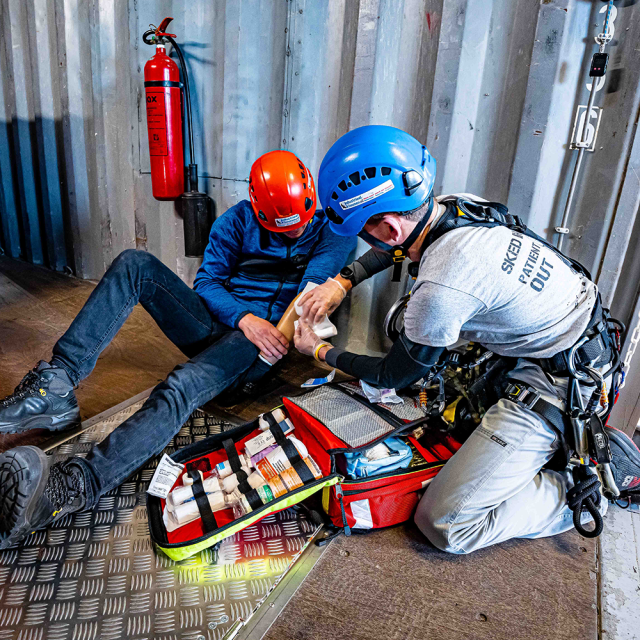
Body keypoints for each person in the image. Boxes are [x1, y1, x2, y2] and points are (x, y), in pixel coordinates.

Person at [294, 125, 640, 554]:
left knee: (445, 523)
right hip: (566, 329)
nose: (369, 241)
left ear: (387, 226)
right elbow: (398, 243)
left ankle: (587, 488)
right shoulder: (454, 206)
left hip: (562, 381)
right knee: (416, 333)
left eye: (366, 230)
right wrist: (343, 281)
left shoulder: (442, 287)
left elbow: (391, 374)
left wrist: (320, 350)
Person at [0, 150, 356, 549]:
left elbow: (306, 301)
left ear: (310, 196)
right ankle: (56, 385)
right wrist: (242, 316)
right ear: (257, 209)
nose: (294, 233)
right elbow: (207, 284)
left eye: (300, 224)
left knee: (179, 387)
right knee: (135, 263)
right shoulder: (236, 221)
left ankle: (72, 488)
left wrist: (261, 330)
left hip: (261, 346)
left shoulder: (334, 232)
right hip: (226, 323)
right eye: (280, 228)